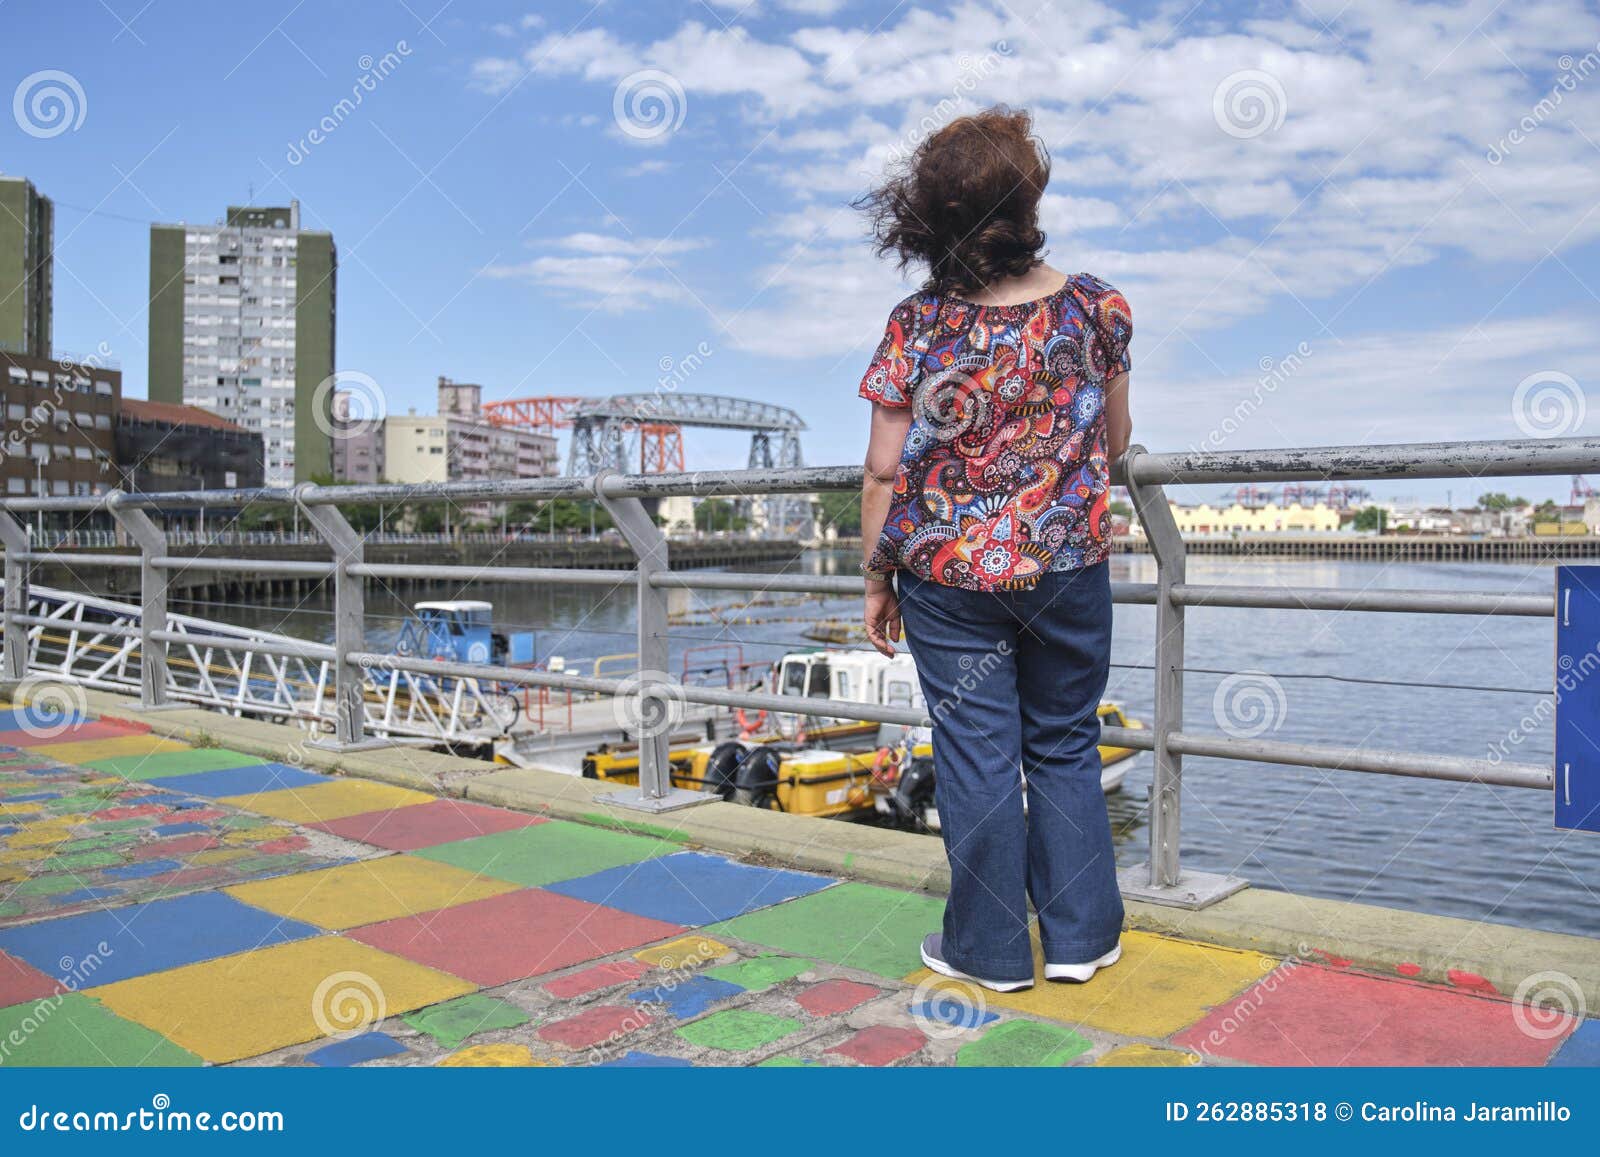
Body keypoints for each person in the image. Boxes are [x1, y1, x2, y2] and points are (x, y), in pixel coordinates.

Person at [854, 106, 1132, 992]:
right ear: (1031, 195)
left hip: (947, 573)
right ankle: (1083, 938)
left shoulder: (918, 322)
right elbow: (1117, 442)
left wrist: (875, 577)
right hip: (1067, 568)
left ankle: (990, 951)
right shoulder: (1097, 306)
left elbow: (880, 471)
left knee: (975, 750)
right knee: (1063, 741)